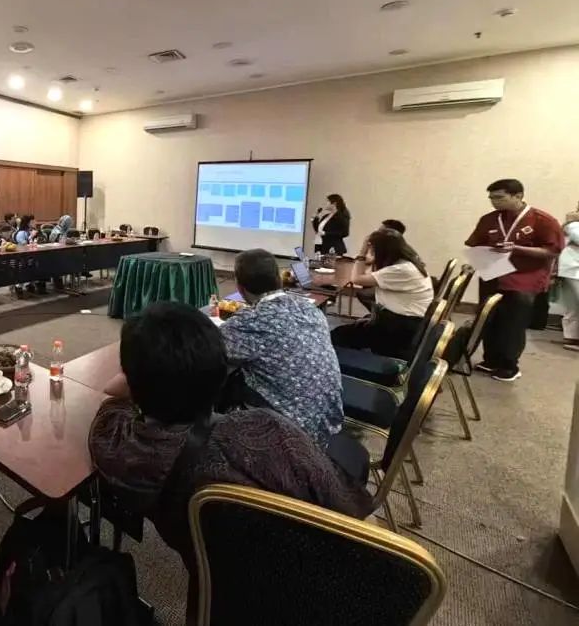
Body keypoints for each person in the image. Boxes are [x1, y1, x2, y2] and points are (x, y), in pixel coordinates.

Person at [89, 302, 372, 624]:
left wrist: (133, 385)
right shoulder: (271, 431)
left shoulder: (126, 449)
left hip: (223, 605)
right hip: (327, 600)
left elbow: (110, 405)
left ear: (135, 383)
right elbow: (354, 513)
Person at [219, 249, 343, 447]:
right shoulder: (310, 309)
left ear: (240, 288)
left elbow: (208, 352)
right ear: (279, 279)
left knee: (221, 383)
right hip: (327, 423)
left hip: (291, 439)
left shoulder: (249, 322)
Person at [465, 179, 565, 381]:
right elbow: (476, 244)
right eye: (491, 198)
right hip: (493, 273)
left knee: (512, 322)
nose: (494, 202)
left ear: (518, 196)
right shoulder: (489, 219)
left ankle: (509, 365)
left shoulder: (542, 220)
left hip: (524, 277)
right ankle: (491, 360)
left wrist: (517, 248)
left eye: (499, 197)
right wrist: (472, 262)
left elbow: (552, 251)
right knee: (489, 317)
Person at [331, 229, 434, 359]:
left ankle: (349, 365)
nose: (371, 252)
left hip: (398, 329)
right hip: (404, 323)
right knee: (346, 331)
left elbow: (356, 279)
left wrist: (362, 253)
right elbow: (369, 272)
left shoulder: (399, 270)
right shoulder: (406, 263)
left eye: (373, 250)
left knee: (336, 337)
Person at [559, 203, 579, 352]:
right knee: (573, 304)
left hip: (572, 268)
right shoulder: (573, 223)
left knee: (573, 305)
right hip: (573, 268)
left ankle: (572, 337)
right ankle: (572, 337)